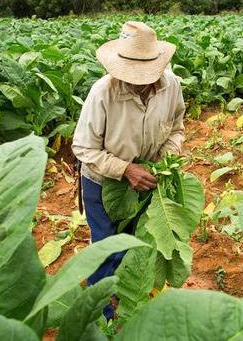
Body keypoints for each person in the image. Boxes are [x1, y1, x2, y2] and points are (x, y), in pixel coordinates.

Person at [71, 21, 185, 319]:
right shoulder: (102, 93)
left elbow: (177, 127)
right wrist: (125, 169)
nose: (138, 81)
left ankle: (130, 304)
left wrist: (166, 159)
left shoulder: (171, 86)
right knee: (108, 249)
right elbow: (84, 149)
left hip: (148, 180)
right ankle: (102, 318)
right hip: (102, 181)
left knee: (137, 248)